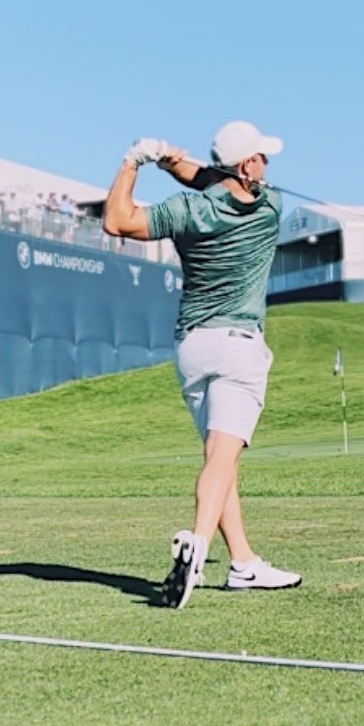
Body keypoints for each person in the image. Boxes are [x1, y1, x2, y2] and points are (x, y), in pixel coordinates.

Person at [103, 119, 302, 608]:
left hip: (192, 349)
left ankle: (245, 564)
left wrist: (138, 160)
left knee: (220, 457)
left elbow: (117, 220)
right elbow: (211, 180)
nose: (268, 165)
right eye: (263, 157)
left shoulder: (187, 211)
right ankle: (197, 545)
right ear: (249, 165)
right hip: (238, 347)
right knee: (220, 458)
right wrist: (173, 162)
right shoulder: (272, 207)